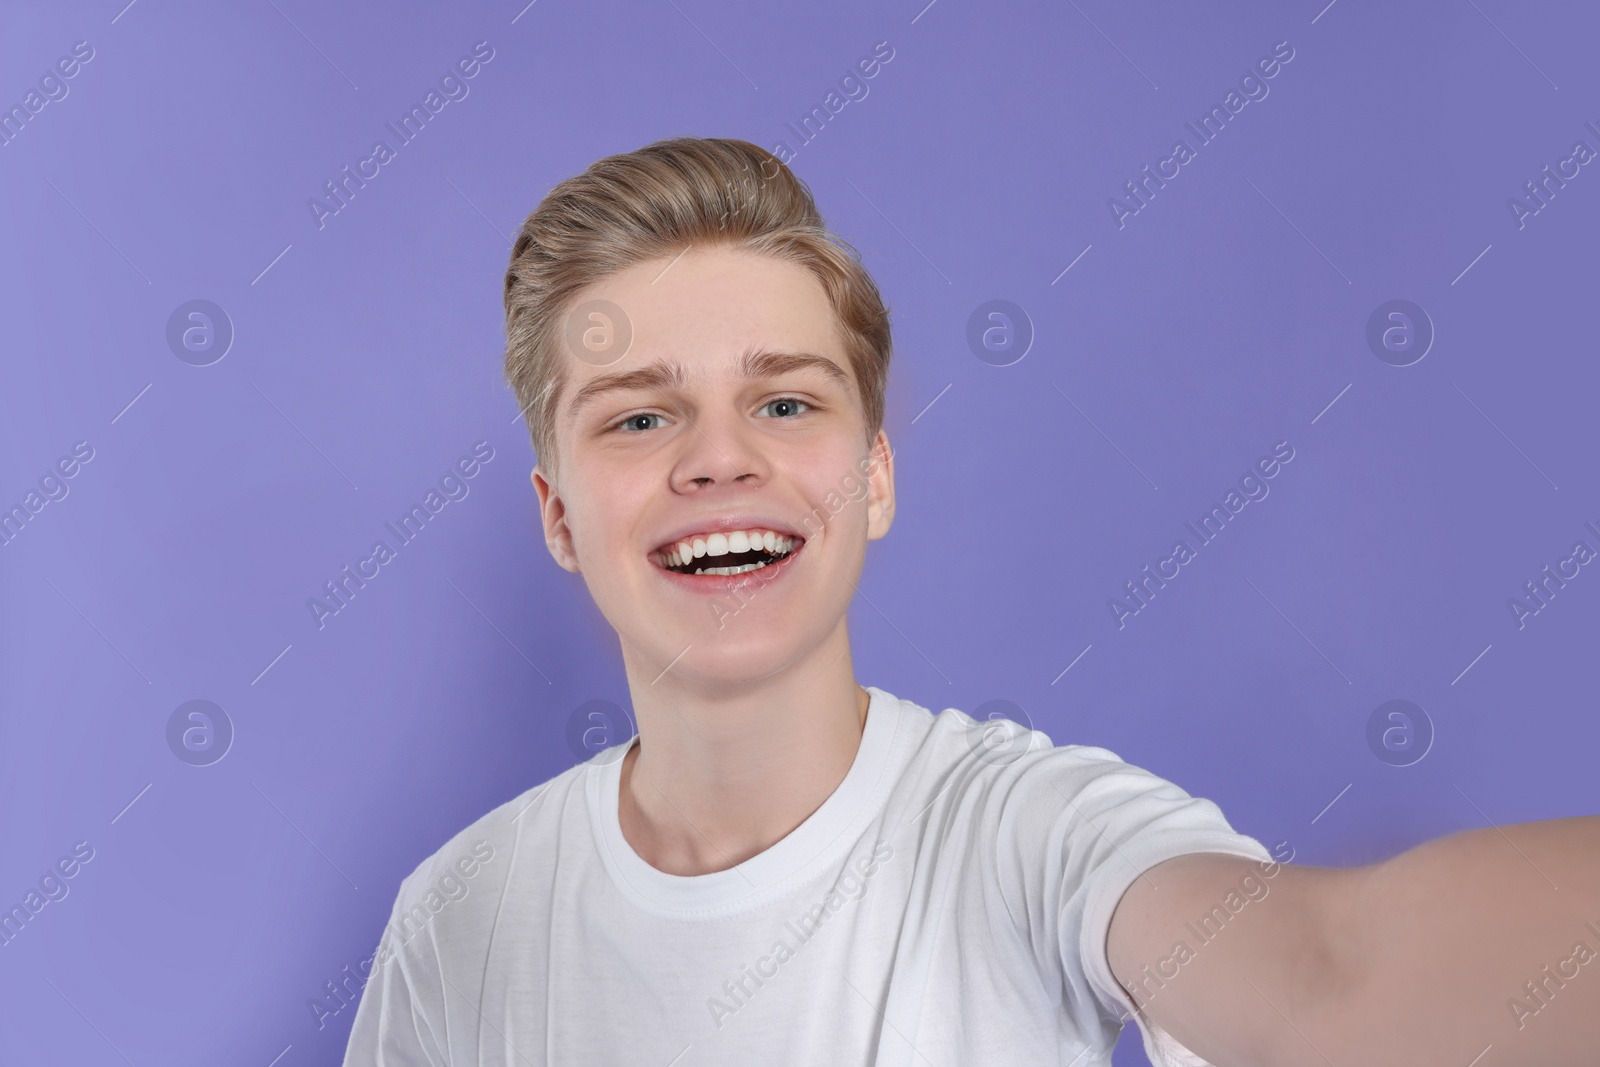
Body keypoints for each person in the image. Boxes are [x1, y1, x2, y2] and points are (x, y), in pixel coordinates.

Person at [342, 137, 1599, 1065]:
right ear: (559, 515)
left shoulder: (1033, 835)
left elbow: (1333, 976)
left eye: (786, 401)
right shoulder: (460, 917)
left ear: (873, 474)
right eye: (637, 415)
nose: (718, 457)